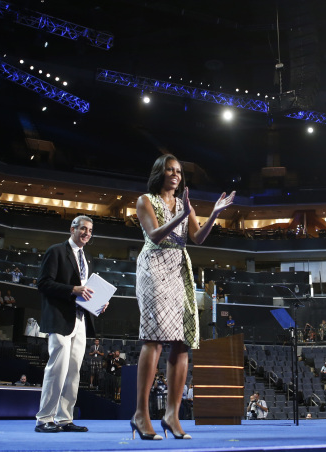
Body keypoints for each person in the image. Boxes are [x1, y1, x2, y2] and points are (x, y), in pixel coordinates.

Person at [131, 154, 234, 441]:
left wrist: (214, 213)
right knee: (153, 338)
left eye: (178, 171)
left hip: (179, 269)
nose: (175, 174)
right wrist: (181, 215)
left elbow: (198, 238)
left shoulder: (184, 204)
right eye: (170, 170)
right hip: (153, 268)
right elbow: (154, 237)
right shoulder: (145, 201)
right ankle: (141, 414)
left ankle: (171, 416)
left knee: (182, 342)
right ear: (159, 172)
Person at [35, 215, 105, 433]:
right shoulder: (56, 251)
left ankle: (64, 418)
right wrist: (72, 290)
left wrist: (98, 303)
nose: (87, 233)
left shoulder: (88, 258)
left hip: (81, 319)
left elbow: (86, 289)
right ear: (72, 229)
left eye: (90, 230)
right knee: (58, 368)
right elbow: (43, 283)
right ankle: (44, 418)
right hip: (59, 317)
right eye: (83, 228)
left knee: (74, 371)